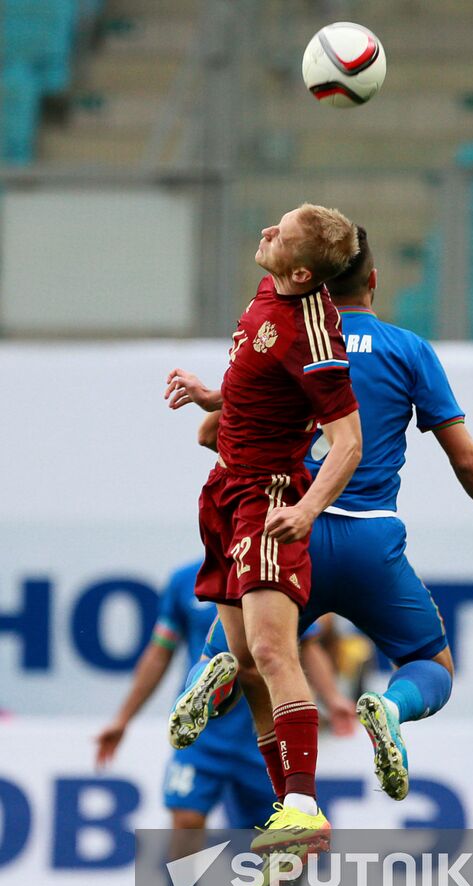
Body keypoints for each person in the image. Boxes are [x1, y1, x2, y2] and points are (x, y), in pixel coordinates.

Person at [167, 226, 473, 802]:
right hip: (370, 541)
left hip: (286, 522)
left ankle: (212, 676)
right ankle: (391, 708)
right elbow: (466, 458)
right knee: (429, 662)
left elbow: (212, 436)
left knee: (248, 651)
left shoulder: (291, 335)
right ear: (372, 281)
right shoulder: (408, 350)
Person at [164, 204, 362, 849]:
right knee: (248, 664)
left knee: (275, 653)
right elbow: (257, 376)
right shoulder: (266, 293)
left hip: (269, 498)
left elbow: (348, 442)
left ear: (303, 271)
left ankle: (304, 806)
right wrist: (210, 395)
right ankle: (289, 810)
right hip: (223, 490)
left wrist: (304, 512)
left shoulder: (315, 333)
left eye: (280, 234)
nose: (265, 233)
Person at [94, 558, 351, 886]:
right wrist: (123, 718)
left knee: (287, 849)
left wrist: (333, 698)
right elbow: (160, 651)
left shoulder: (272, 575)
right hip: (203, 741)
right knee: (185, 831)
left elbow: (305, 646)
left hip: (261, 735)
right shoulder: (184, 581)